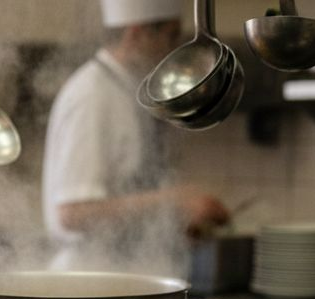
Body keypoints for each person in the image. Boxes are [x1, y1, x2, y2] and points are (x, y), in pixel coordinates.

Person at [42, 0, 230, 270]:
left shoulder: (128, 90)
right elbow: (73, 213)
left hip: (129, 273)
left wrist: (170, 224)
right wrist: (175, 201)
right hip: (90, 279)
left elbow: (128, 196)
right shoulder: (92, 94)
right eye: (171, 36)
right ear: (137, 33)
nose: (174, 49)